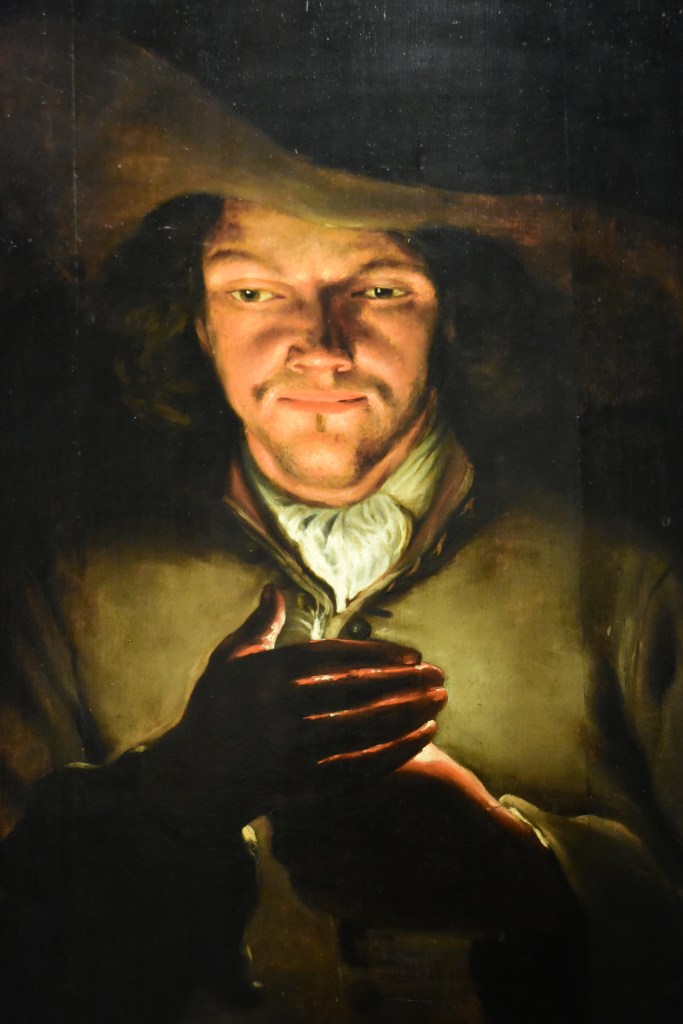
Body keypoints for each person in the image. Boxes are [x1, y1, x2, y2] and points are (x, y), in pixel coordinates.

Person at [1, 194, 682, 1024]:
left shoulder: (631, 584)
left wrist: (539, 876)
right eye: (253, 292)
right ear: (200, 323)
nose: (320, 348)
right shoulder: (74, 589)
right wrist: (173, 796)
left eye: (380, 291)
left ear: (452, 315)